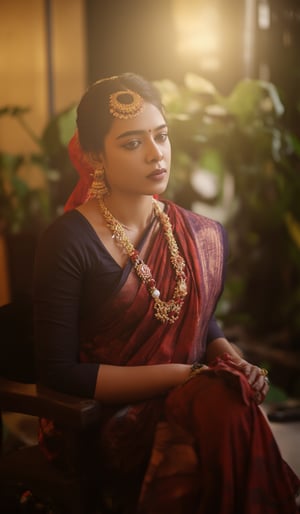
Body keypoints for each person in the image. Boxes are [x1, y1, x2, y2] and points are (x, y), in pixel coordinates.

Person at [33, 72, 300, 514]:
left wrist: (234, 360)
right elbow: (59, 373)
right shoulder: (68, 241)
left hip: (189, 398)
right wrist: (182, 374)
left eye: (161, 136)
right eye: (132, 143)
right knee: (221, 410)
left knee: (226, 400)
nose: (156, 154)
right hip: (103, 422)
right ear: (96, 155)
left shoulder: (192, 233)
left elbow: (197, 319)